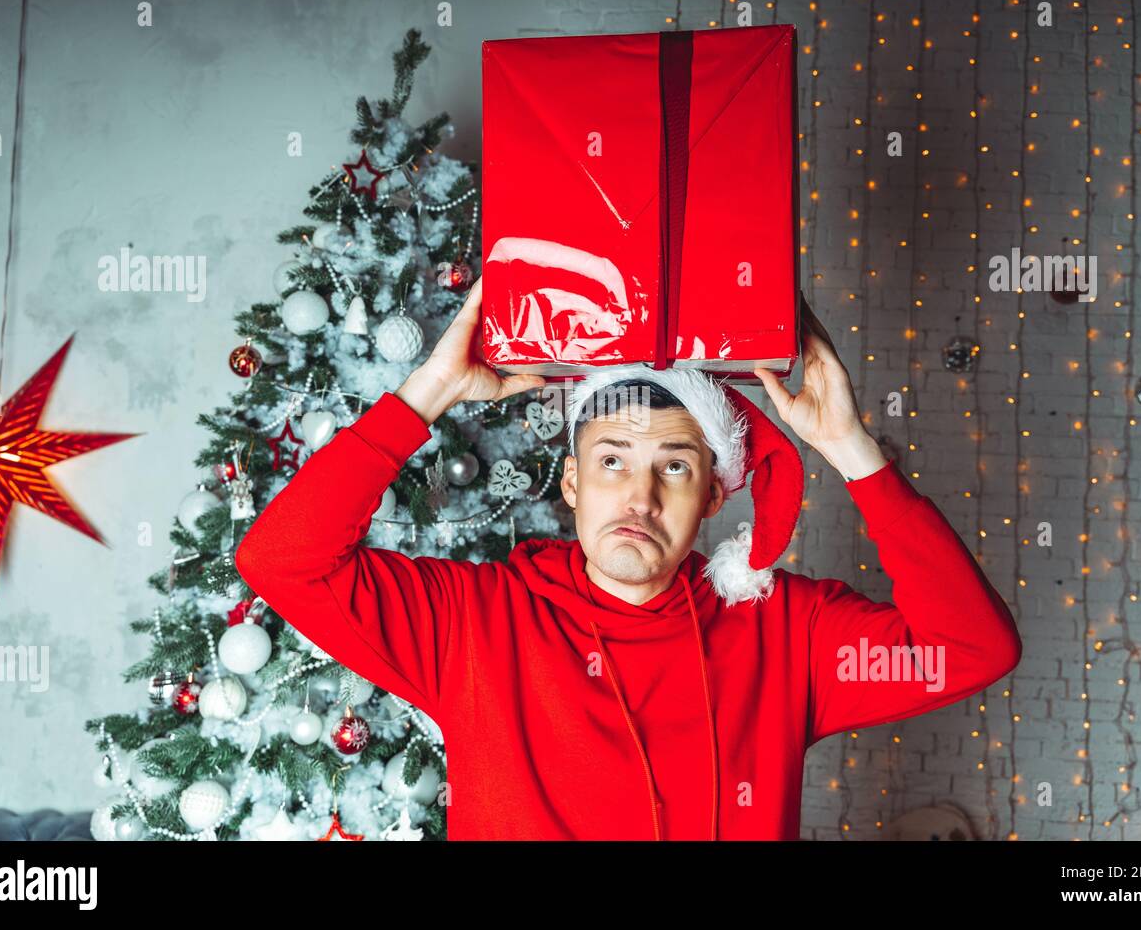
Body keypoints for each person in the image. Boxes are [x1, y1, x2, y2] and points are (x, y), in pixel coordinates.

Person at [235, 277, 1022, 840]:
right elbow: (282, 561)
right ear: (572, 482)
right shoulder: (470, 623)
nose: (639, 498)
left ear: (715, 494)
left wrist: (854, 451)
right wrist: (425, 395)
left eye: (674, 467)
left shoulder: (785, 631)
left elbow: (972, 650)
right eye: (612, 461)